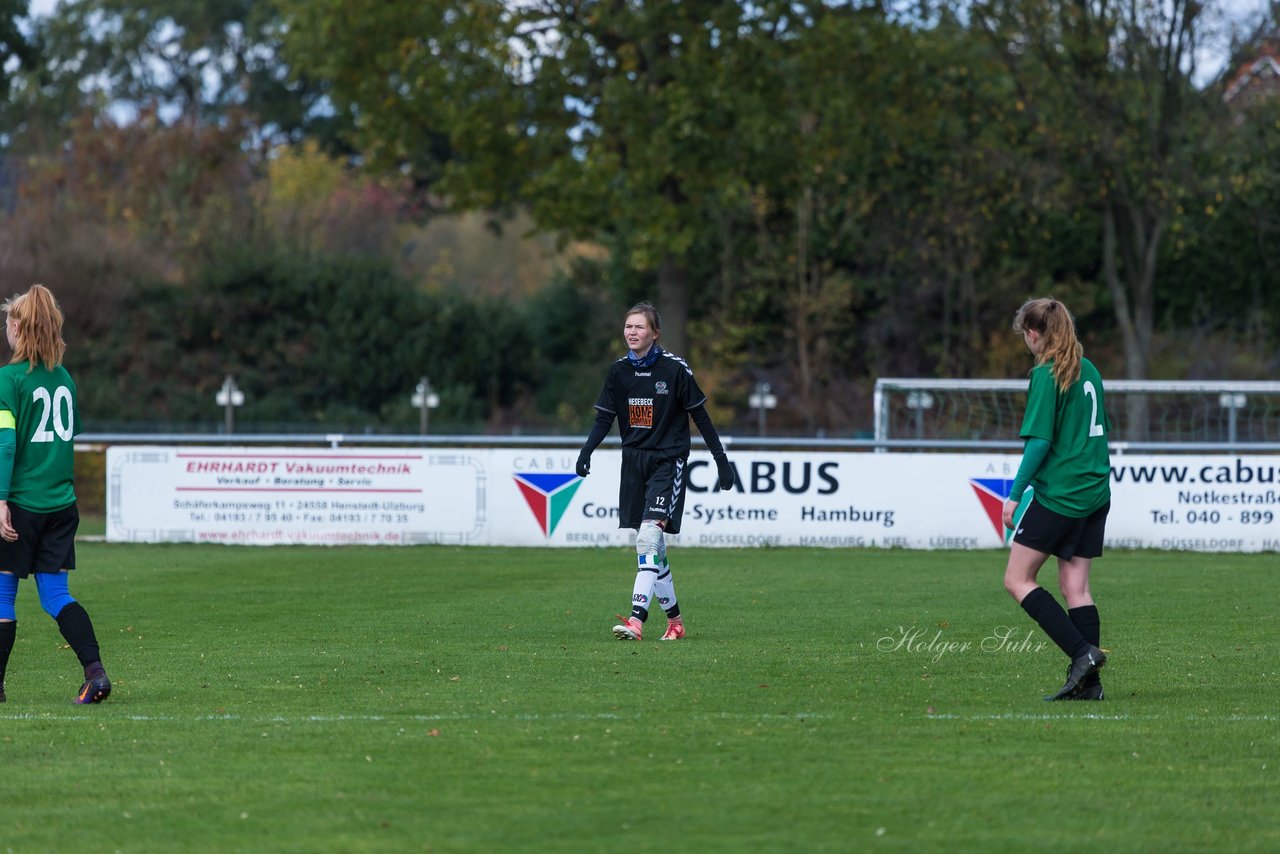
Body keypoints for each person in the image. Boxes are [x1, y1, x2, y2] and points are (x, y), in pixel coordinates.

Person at [576, 301, 736, 641]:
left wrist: (721, 460)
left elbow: (701, 417)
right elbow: (605, 417)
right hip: (634, 461)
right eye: (628, 326)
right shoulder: (618, 372)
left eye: (639, 327)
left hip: (668, 459)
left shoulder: (675, 370)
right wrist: (587, 450)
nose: (632, 332)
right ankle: (675, 623)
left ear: (655, 333)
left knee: (648, 536)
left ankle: (636, 619)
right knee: (654, 547)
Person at [0, 284, 111, 705]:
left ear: (18, 328)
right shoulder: (64, 379)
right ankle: (95, 674)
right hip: (61, 506)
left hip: (21, 504)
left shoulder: (8, 380)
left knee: (2, 593)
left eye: (8, 323)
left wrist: (0, 500)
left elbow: (6, 444)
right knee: (56, 595)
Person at [1001, 297, 1110, 701]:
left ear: (1033, 334)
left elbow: (1040, 442)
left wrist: (1014, 496)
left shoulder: (1048, 374)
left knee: (1016, 579)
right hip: (1096, 492)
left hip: (1063, 495)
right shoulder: (1090, 370)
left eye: (1024, 336)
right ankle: (1090, 686)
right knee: (1075, 587)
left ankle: (1084, 655)